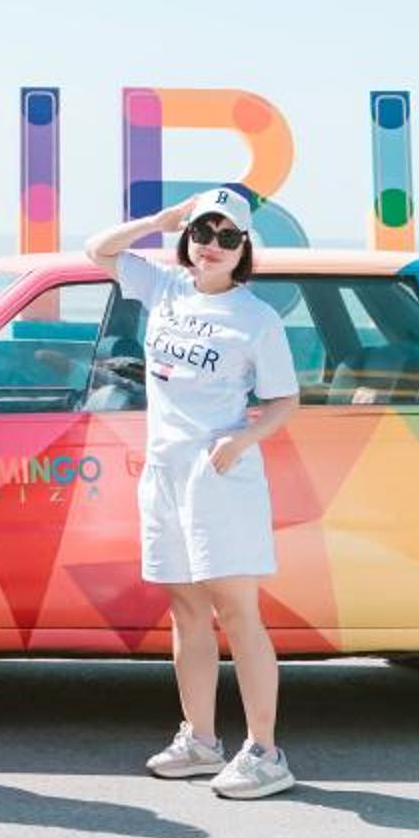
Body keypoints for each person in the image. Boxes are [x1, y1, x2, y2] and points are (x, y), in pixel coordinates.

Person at [83, 186, 301, 800]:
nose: (212, 245)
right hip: (164, 472)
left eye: (227, 237)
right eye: (203, 232)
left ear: (243, 248)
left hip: (219, 479)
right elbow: (97, 249)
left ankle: (265, 752)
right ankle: (202, 740)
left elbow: (285, 399)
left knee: (237, 611)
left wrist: (242, 439)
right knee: (185, 608)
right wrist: (159, 219)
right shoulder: (165, 287)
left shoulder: (256, 318)